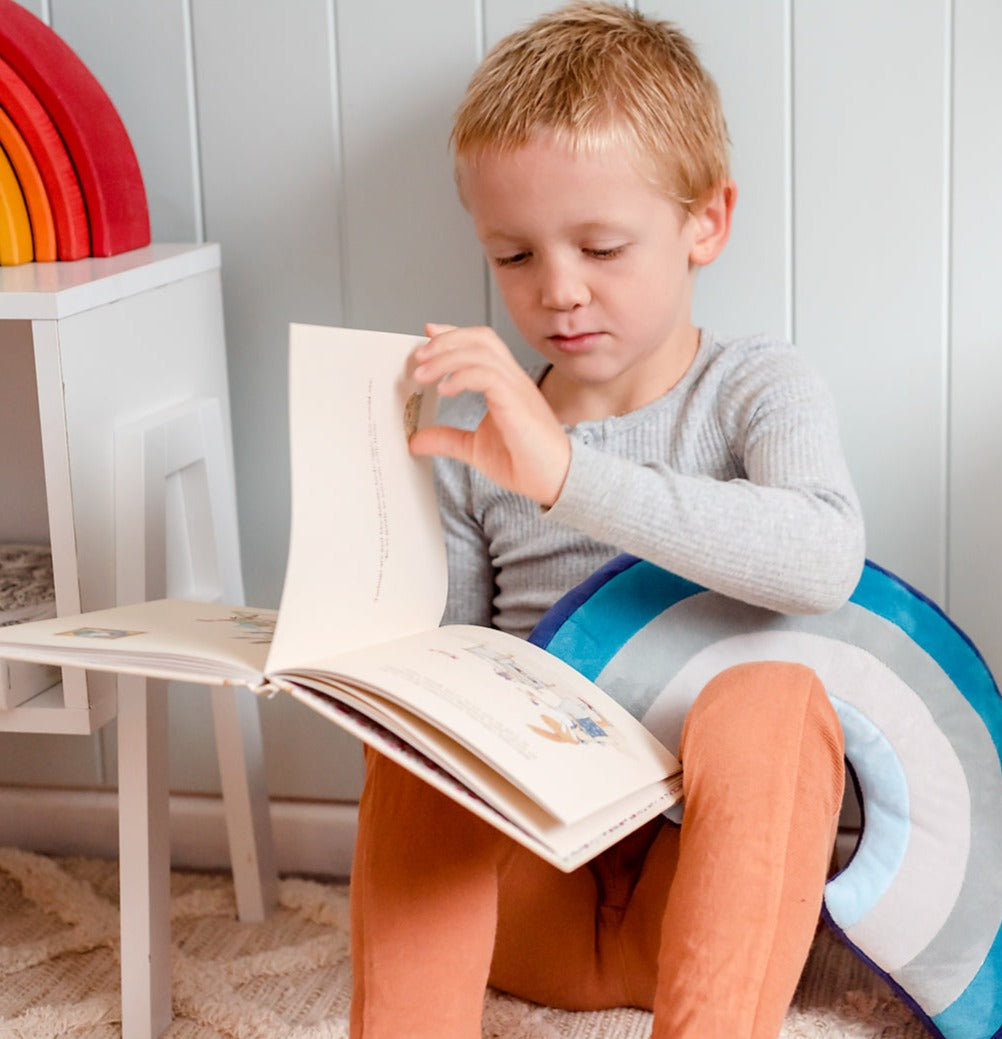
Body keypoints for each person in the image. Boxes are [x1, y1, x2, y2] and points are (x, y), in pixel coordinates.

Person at [350, 4, 864, 1037]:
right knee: (419, 731)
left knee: (775, 698)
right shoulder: (469, 435)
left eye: (601, 245)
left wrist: (565, 475)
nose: (558, 291)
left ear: (704, 224)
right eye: (512, 256)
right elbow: (443, 670)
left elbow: (822, 559)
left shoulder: (756, 386)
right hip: (529, 895)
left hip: (704, 901)